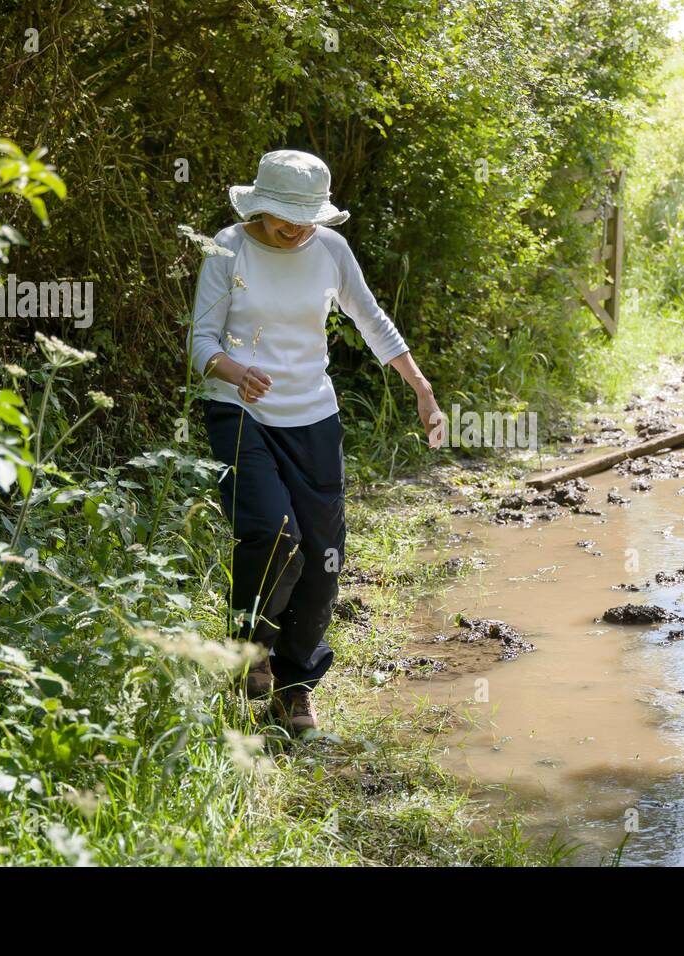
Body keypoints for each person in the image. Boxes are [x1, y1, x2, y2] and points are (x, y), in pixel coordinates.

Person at [189, 149, 441, 734]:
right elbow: (200, 341)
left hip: (313, 419)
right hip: (240, 414)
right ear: (262, 205)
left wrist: (422, 389)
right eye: (285, 214)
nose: (297, 226)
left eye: (307, 215)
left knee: (324, 559)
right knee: (274, 533)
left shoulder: (330, 250)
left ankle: (295, 686)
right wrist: (234, 371)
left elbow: (372, 319)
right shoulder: (229, 247)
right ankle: (247, 645)